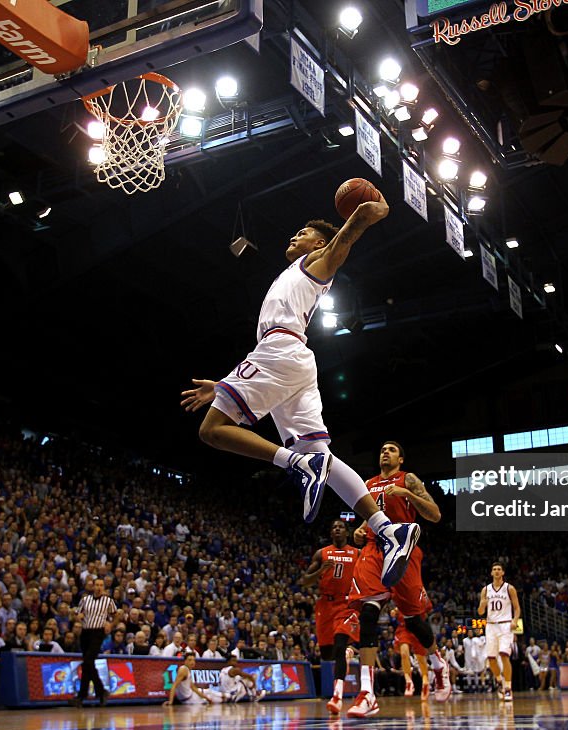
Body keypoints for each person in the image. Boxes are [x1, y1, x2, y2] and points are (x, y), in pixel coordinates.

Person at [179, 198, 421, 590]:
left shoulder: (316, 263)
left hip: (281, 351)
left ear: (318, 244)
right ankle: (388, 530)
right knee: (322, 457)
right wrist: (224, 384)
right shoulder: (296, 271)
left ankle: (294, 464)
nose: (296, 236)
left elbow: (342, 244)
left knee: (211, 430)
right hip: (291, 360)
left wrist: (363, 215)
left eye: (304, 233)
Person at [346, 441, 451, 718]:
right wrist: (359, 530)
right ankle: (367, 693)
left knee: (415, 621)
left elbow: (435, 514)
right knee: (368, 613)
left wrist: (407, 494)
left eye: (391, 449)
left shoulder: (409, 479)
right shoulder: (367, 484)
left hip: (404, 548)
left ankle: (438, 664)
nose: (385, 452)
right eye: (382, 449)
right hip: (373, 549)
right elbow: (369, 518)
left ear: (401, 459)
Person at [299, 518, 360, 713]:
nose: (337, 529)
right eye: (334, 527)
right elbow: (304, 582)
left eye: (340, 527)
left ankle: (337, 695)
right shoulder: (322, 553)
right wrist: (320, 571)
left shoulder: (356, 553)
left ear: (347, 532)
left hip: (346, 603)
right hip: (325, 605)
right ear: (331, 533)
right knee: (327, 654)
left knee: (340, 645)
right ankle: (348, 652)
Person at [478, 562, 522, 702]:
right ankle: (499, 681)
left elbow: (517, 608)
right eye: (494, 569)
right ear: (491, 573)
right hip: (490, 626)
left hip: (505, 626)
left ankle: (508, 688)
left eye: (499, 569)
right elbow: (480, 612)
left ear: (502, 573)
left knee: (504, 655)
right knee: (491, 659)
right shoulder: (485, 590)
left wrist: (515, 620)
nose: (496, 571)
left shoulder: (510, 588)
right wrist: (482, 605)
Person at [72, 577, 116, 708]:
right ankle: (87, 696)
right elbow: (76, 613)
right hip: (85, 632)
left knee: (88, 661)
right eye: (96, 585)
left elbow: (117, 614)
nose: (98, 587)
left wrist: (111, 625)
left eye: (101, 585)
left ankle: (99, 691)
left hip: (98, 632)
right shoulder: (85, 599)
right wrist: (78, 617)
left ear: (104, 587)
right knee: (87, 664)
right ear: (93, 586)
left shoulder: (108, 601)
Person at [392, 607, 430, 700]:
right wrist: (394, 611)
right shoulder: (400, 597)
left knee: (421, 659)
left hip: (417, 628)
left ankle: (425, 683)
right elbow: (395, 610)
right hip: (404, 629)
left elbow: (426, 612)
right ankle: (408, 681)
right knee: (404, 654)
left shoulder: (420, 596)